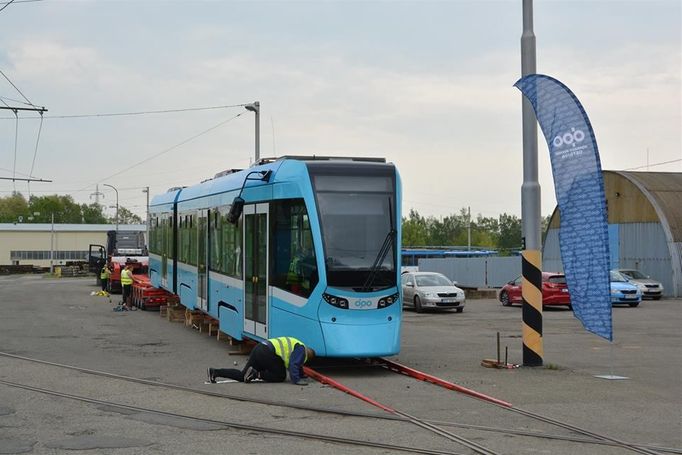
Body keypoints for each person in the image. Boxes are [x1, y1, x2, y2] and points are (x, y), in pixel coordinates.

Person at [207, 336, 315, 385]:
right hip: (268, 352)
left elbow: (297, 366)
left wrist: (302, 375)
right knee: (280, 376)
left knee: (242, 375)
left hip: (259, 348)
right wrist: (297, 380)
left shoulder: (296, 344)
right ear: (307, 354)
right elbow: (294, 364)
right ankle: (257, 374)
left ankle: (215, 372)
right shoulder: (301, 349)